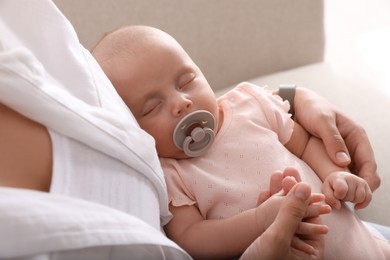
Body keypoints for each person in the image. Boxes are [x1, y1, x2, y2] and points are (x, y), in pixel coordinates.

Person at [91, 25, 390, 259]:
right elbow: (192, 238)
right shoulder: (171, 173)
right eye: (152, 107)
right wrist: (259, 221)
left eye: (186, 81)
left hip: (367, 240)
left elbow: (304, 144)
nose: (181, 103)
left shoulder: (250, 104)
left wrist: (334, 174)